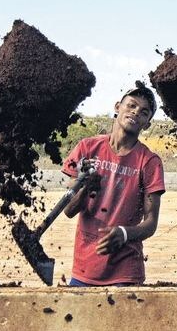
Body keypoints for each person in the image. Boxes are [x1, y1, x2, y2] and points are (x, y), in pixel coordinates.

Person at [62, 82, 166, 286]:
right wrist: (85, 187)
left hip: (125, 273)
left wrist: (125, 233)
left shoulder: (149, 162)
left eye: (144, 112)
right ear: (117, 107)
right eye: (131, 105)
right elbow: (68, 210)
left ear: (147, 124)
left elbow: (151, 222)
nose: (136, 112)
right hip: (84, 269)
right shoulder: (87, 148)